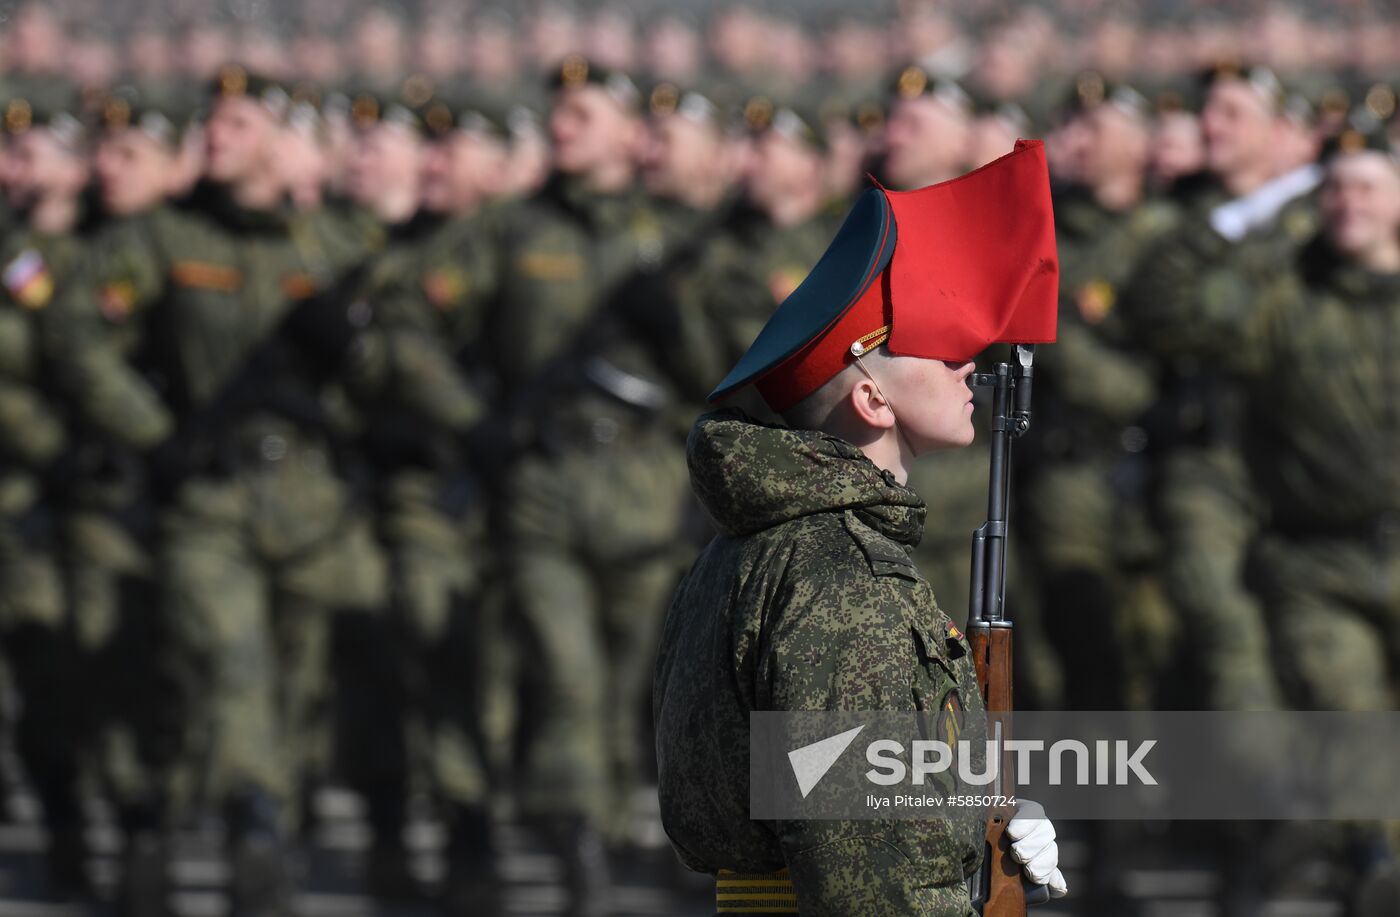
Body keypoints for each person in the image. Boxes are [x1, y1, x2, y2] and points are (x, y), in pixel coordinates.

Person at [654, 141, 1067, 915]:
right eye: (941, 350)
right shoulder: (842, 575)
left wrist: (974, 822)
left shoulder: (759, 546)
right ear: (873, 402)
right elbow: (857, 856)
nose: (967, 367)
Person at [50, 66, 388, 916]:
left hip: (310, 502)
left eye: (239, 124)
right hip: (209, 496)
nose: (215, 135)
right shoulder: (163, 238)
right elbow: (77, 333)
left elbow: (394, 370)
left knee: (294, 678)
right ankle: (250, 821)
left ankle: (227, 806)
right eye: (210, 122)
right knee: (225, 661)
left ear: (283, 139)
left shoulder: (333, 246)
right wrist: (152, 433)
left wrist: (350, 354)